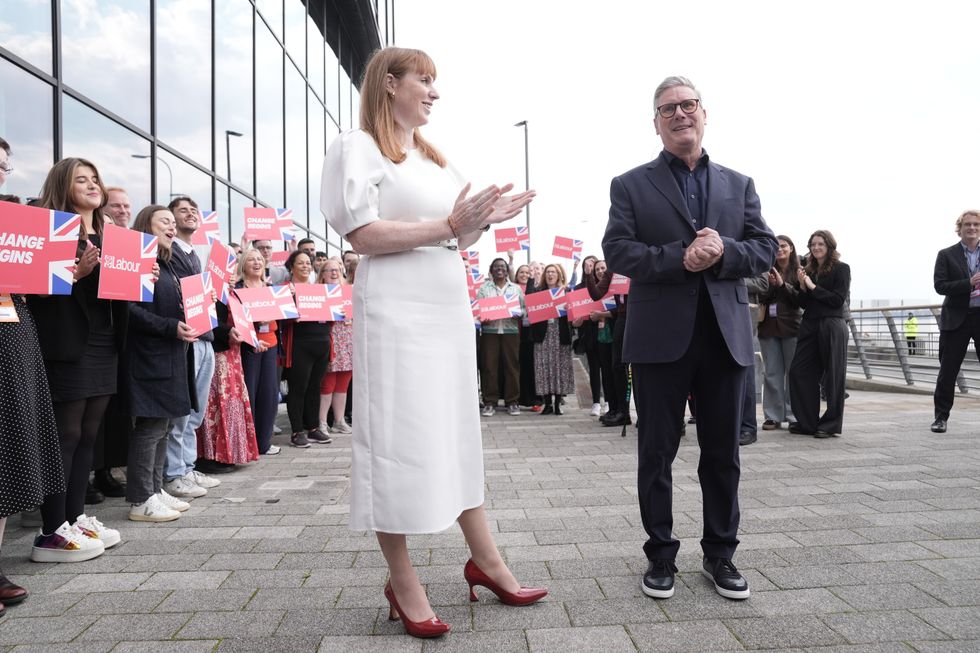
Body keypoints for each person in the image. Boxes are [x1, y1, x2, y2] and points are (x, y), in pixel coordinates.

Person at [320, 46, 544, 639]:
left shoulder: (433, 157)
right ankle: (402, 579)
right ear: (389, 84)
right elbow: (362, 234)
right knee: (396, 439)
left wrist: (481, 219)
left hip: (444, 306)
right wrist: (449, 226)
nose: (434, 92)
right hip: (395, 310)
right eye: (424, 80)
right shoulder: (358, 146)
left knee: (454, 428)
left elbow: (456, 241)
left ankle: (486, 560)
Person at [602, 76, 777, 601]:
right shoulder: (630, 184)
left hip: (724, 335)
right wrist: (680, 257)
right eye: (667, 109)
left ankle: (721, 554)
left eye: (687, 105)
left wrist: (722, 251)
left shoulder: (739, 183)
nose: (679, 114)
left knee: (723, 452)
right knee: (656, 452)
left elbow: (765, 249)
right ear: (655, 123)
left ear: (704, 113)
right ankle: (660, 556)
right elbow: (619, 252)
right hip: (659, 339)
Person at [28, 157, 127, 560]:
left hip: (104, 340)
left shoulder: (110, 233)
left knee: (90, 434)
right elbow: (32, 290)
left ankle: (75, 517)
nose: (91, 185)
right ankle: (51, 530)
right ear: (62, 186)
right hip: (67, 343)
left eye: (94, 179)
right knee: (64, 435)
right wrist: (78, 275)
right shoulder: (50, 229)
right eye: (80, 179)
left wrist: (140, 279)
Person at [0, 138, 68, 609]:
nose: (1, 172)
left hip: (12, 339)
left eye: (4, 164)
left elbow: (39, 285)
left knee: (7, 452)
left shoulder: (12, 223)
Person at [124, 205, 197, 521]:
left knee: (165, 425)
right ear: (146, 226)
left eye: (172, 222)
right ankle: (141, 498)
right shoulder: (139, 263)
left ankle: (154, 489)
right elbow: (130, 310)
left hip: (171, 354)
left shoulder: (167, 265)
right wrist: (170, 327)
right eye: (163, 221)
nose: (171, 226)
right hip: (149, 357)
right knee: (151, 427)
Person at [788, 230, 851, 438]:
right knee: (799, 371)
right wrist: (802, 287)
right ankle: (808, 422)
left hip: (832, 324)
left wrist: (812, 286)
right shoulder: (808, 271)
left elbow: (837, 300)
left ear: (829, 246)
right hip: (810, 324)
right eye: (813, 244)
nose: (816, 248)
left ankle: (830, 424)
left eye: (820, 244)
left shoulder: (842, 269)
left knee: (833, 376)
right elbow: (803, 304)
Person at [195, 284, 260, 469]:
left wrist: (252, 341)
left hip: (234, 355)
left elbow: (243, 323)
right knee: (216, 405)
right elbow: (208, 321)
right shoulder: (209, 287)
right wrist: (227, 332)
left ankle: (229, 454)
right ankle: (210, 456)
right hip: (218, 352)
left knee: (231, 404)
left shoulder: (233, 292)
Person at [931, 210, 980, 433]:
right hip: (956, 318)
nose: (972, 228)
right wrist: (968, 283)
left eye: (976, 224)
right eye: (967, 224)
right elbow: (940, 286)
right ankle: (941, 418)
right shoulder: (946, 254)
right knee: (948, 371)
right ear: (960, 228)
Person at [280, 250, 332, 447]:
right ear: (291, 267)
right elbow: (279, 316)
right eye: (300, 263)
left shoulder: (318, 289)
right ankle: (297, 431)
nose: (305, 266)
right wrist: (292, 308)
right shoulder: (285, 289)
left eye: (308, 263)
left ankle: (312, 427)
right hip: (300, 344)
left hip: (321, 343)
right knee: (298, 388)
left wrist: (338, 311)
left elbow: (330, 316)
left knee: (314, 387)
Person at [236, 248, 281, 455]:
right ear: (243, 264)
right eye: (251, 259)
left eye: (259, 260)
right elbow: (233, 318)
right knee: (250, 394)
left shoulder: (271, 288)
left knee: (269, 395)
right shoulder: (237, 289)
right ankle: (249, 443)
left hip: (270, 345)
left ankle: (264, 442)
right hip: (248, 347)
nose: (256, 263)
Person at [759, 235, 803, 431]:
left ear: (791, 248)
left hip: (793, 327)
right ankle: (772, 415)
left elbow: (799, 300)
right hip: (768, 326)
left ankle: (794, 414)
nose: (780, 249)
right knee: (772, 372)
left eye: (784, 245)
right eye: (776, 246)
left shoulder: (800, 270)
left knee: (793, 373)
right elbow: (760, 295)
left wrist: (782, 285)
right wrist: (769, 285)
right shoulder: (765, 267)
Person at [477, 258, 524, 416]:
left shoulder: (516, 289)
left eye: (502, 267)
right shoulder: (484, 289)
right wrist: (484, 316)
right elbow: (479, 311)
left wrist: (519, 314)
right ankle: (489, 402)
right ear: (491, 270)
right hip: (490, 332)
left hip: (511, 332)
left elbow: (524, 310)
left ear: (506, 270)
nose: (500, 269)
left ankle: (512, 402)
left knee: (512, 367)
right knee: (489, 367)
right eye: (496, 267)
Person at [532, 264, 575, 415]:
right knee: (544, 368)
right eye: (548, 272)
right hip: (543, 334)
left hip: (560, 332)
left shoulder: (566, 292)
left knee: (559, 368)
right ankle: (547, 403)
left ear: (559, 275)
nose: (550, 274)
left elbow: (572, 313)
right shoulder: (539, 292)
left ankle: (558, 403)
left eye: (553, 272)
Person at [317, 258, 354, 433]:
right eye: (329, 270)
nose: (334, 273)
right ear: (322, 274)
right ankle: (322, 421)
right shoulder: (318, 293)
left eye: (337, 270)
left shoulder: (349, 291)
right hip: (330, 339)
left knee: (343, 383)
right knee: (328, 383)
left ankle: (339, 421)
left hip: (348, 340)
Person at [738, 273, 769, 446]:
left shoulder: (749, 245)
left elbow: (763, 283)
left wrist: (731, 279)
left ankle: (748, 426)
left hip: (743, 311)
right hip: (716, 309)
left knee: (745, 369)